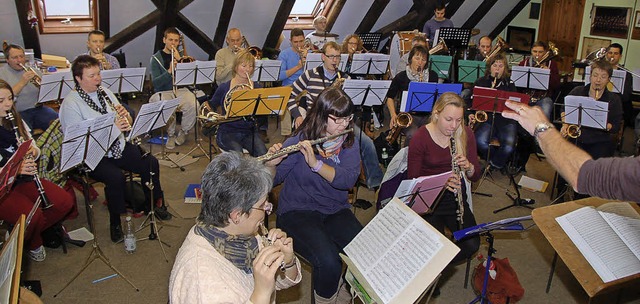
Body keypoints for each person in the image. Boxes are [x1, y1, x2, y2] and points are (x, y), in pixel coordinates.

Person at [60, 55, 171, 243]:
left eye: (98, 73)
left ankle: (153, 204)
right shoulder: (71, 105)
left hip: (116, 146)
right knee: (115, 177)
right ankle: (115, 222)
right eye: (92, 75)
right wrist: (114, 129)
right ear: (78, 79)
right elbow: (81, 143)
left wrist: (127, 117)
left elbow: (125, 122)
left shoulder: (105, 92)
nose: (98, 79)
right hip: (92, 155)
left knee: (150, 162)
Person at [169, 152, 301, 303]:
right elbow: (262, 288)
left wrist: (288, 262)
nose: (267, 210)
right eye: (262, 205)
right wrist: (262, 294)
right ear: (236, 215)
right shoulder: (203, 281)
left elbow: (274, 280)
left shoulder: (238, 233)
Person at [272, 87, 361, 304]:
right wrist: (270, 164)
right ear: (322, 116)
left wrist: (316, 164)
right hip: (297, 210)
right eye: (337, 120)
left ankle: (343, 294)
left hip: (335, 209)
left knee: (364, 253)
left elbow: (347, 180)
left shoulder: (349, 141)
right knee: (328, 260)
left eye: (348, 118)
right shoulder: (301, 139)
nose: (344, 125)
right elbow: (273, 181)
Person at [288, 41, 383, 190]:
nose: (334, 60)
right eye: (331, 56)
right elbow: (290, 95)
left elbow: (352, 106)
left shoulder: (345, 78)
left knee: (368, 144)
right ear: (323, 57)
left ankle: (375, 182)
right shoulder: (310, 75)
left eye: (338, 57)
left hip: (340, 123)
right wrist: (298, 115)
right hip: (316, 121)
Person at [502, 101, 640, 202]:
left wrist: (542, 129)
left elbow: (585, 175)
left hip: (599, 140)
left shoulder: (612, 99)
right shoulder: (579, 91)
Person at [0, 79, 75, 262]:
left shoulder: (15, 119)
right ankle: (32, 242)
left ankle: (26, 235)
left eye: (10, 98)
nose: (8, 104)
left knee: (64, 202)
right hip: (2, 187)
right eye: (1, 101)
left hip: (22, 180)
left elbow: (33, 145)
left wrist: (33, 151)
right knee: (32, 216)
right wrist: (15, 170)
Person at [407, 92, 481, 263]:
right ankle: (431, 275)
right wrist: (441, 181)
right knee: (433, 247)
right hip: (429, 199)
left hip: (454, 196)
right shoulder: (420, 137)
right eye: (449, 120)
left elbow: (475, 175)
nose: (454, 126)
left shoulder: (465, 134)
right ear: (436, 114)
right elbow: (413, 179)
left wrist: (468, 167)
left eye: (458, 120)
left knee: (471, 244)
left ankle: (437, 270)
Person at [208, 50, 266, 157]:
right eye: (243, 66)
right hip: (227, 131)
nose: (247, 69)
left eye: (250, 66)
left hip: (249, 131)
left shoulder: (257, 88)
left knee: (263, 155)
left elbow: (262, 116)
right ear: (235, 67)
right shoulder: (224, 87)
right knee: (238, 156)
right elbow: (211, 105)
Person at [149, 27, 197, 149]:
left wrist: (180, 61)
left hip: (180, 90)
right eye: (170, 40)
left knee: (194, 104)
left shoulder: (181, 56)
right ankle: (170, 135)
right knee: (166, 104)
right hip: (164, 91)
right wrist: (170, 71)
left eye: (176, 41)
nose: (173, 43)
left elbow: (189, 80)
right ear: (164, 40)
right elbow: (156, 83)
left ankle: (184, 131)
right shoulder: (155, 59)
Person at [473, 54, 519, 172]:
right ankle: (497, 162)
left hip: (505, 120)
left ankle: (494, 164)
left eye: (501, 66)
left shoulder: (510, 84)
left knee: (509, 147)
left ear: (505, 69)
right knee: (480, 141)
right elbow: (473, 102)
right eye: (495, 65)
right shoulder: (481, 81)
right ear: (490, 67)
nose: (497, 68)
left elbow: (514, 104)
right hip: (487, 118)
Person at [385, 45, 438, 145]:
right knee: (413, 134)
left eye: (423, 59)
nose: (420, 62)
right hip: (408, 116)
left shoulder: (433, 75)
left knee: (435, 133)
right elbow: (390, 97)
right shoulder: (401, 76)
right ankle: (408, 157)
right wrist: (393, 115)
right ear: (410, 59)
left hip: (428, 115)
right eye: (417, 58)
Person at [0, 44, 58, 131]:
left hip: (38, 109)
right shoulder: (2, 74)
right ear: (7, 60)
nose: (19, 60)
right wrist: (22, 82)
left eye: (22, 56)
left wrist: (44, 86)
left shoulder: (33, 71)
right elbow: (8, 96)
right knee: (24, 132)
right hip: (17, 112)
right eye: (15, 57)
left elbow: (47, 94)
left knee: (58, 124)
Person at [518, 41, 558, 119]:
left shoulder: (551, 64)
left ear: (545, 52)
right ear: (531, 51)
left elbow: (556, 85)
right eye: (535, 51)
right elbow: (516, 84)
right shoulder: (524, 63)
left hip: (543, 98)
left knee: (545, 111)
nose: (537, 54)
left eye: (540, 52)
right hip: (526, 96)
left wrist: (548, 73)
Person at [605, 43, 634, 129]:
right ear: (606, 54)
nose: (612, 56)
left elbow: (626, 96)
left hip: (616, 106)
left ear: (620, 56)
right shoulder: (601, 69)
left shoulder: (626, 74)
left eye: (616, 53)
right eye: (610, 53)